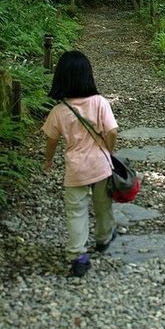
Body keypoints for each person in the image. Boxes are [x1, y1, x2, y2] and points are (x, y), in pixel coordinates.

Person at [42, 50, 118, 278]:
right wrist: (108, 149)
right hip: (101, 165)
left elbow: (51, 141)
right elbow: (112, 130)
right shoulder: (99, 102)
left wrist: (47, 161)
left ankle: (78, 256)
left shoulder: (58, 111)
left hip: (75, 170)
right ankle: (104, 239)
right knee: (103, 205)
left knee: (76, 211)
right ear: (88, 75)